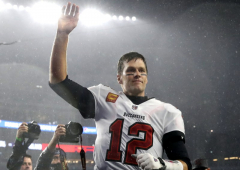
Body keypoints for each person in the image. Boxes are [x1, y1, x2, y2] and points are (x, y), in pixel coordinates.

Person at [49, 2, 192, 170]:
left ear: (147, 77)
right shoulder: (103, 99)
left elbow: (184, 165)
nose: (137, 74)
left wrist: (160, 165)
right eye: (131, 71)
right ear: (119, 78)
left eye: (141, 71)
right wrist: (62, 34)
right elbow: (58, 81)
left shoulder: (167, 112)